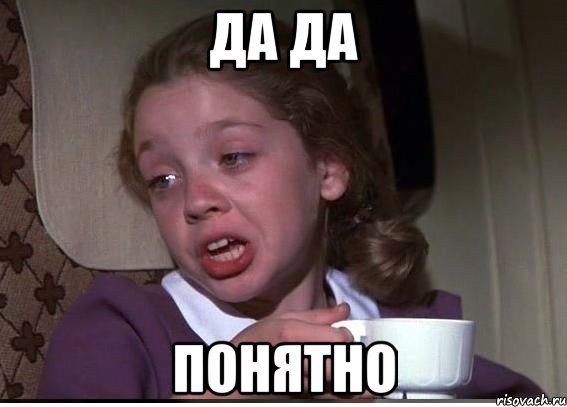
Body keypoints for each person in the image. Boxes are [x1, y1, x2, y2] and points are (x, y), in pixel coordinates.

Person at [37, 14, 541, 399]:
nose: (195, 201)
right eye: (163, 179)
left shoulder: (408, 333)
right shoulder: (121, 333)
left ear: (328, 168)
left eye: (233, 157)